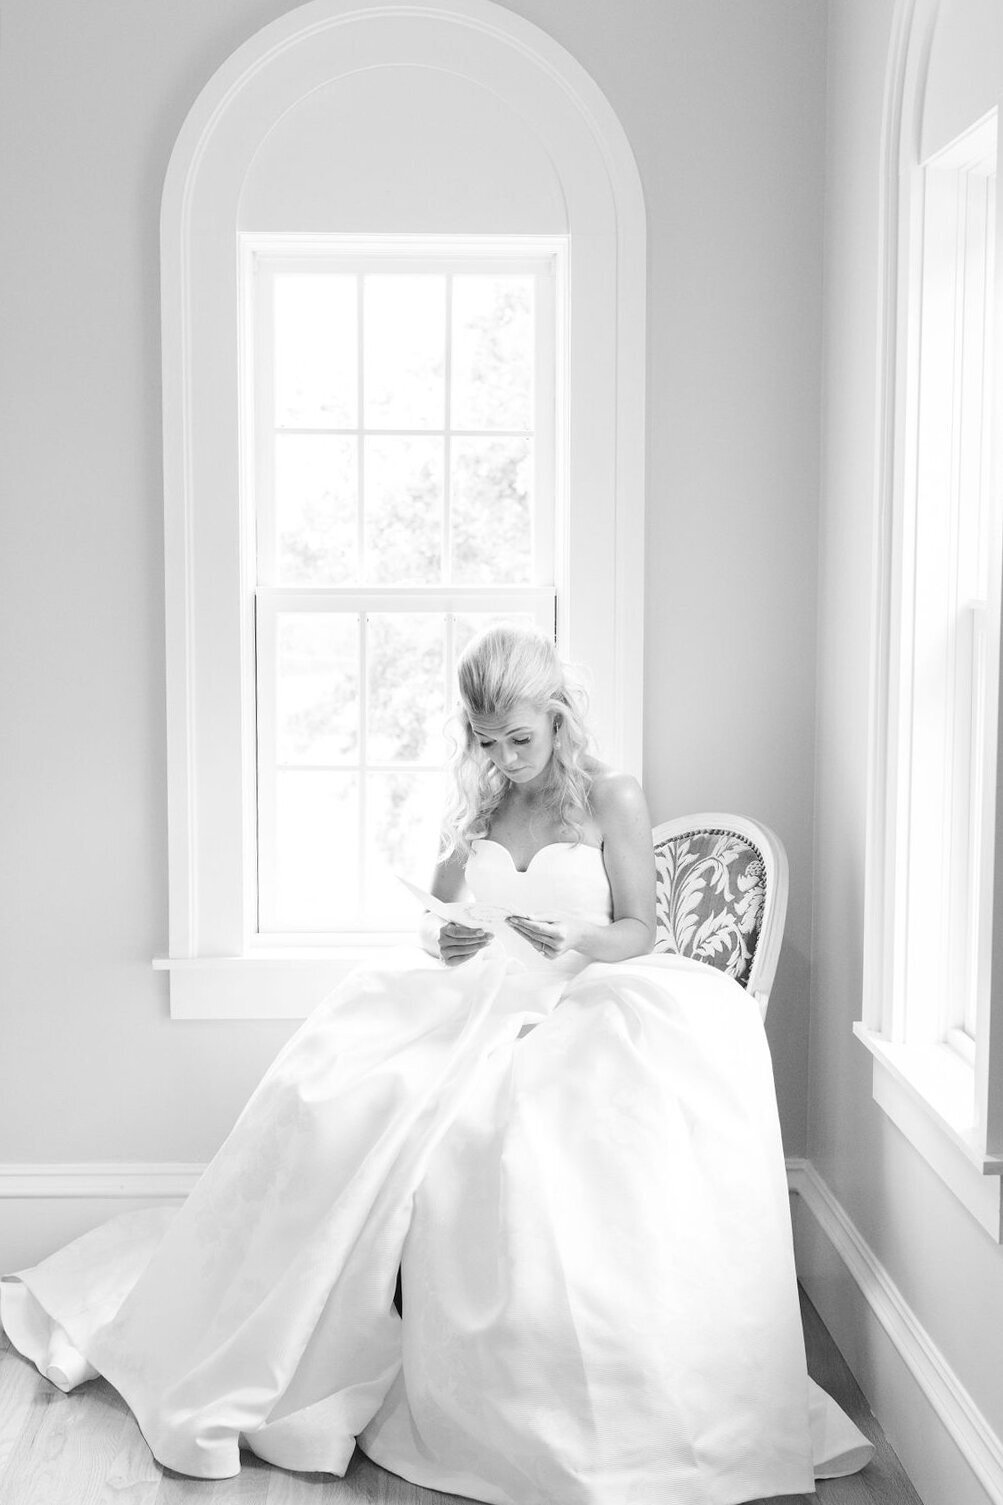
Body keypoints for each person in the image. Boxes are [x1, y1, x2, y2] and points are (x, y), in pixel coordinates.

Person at [0, 626, 873, 1503]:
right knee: (332, 1097)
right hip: (474, 995)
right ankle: (296, 1326)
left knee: (524, 1135)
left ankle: (552, 1387)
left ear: (557, 713)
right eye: (485, 741)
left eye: (518, 738)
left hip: (586, 998)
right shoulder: (483, 801)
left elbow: (641, 929)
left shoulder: (612, 796)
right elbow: (439, 914)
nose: (503, 757)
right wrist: (448, 934)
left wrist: (575, 936)